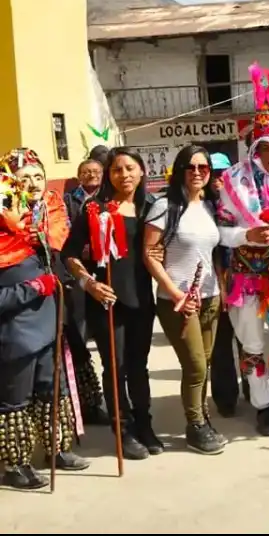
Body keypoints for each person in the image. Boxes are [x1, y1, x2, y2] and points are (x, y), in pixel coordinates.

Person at [216, 62, 269, 437]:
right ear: (254, 148)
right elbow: (216, 232)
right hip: (246, 277)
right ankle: (262, 405)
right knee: (252, 342)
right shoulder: (231, 183)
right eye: (265, 147)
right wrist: (244, 237)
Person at [63, 147, 161, 461]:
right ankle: (124, 427)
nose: (124, 175)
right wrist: (88, 284)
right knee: (116, 368)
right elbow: (70, 254)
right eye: (117, 169)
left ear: (142, 171)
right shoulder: (96, 209)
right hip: (106, 302)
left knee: (139, 366)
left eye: (130, 168)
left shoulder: (151, 208)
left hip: (141, 299)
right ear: (109, 175)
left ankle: (145, 422)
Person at [0, 150, 90, 489]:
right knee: (14, 401)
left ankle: (57, 449)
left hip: (51, 327)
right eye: (24, 178)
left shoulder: (44, 225)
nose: (33, 184)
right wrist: (32, 288)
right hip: (16, 334)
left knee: (51, 390)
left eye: (38, 176)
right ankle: (15, 462)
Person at [144, 145, 226, 455]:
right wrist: (176, 292)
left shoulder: (209, 206)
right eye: (190, 167)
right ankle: (194, 426)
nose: (196, 173)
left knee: (204, 363)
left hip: (210, 297)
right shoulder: (165, 206)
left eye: (203, 168)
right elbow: (149, 256)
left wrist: (223, 287)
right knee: (194, 365)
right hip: (177, 300)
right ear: (179, 171)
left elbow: (214, 251)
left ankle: (202, 417)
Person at [61, 157, 108, 426]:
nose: (91, 175)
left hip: (104, 273)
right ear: (78, 176)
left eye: (95, 171)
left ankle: (96, 402)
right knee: (77, 335)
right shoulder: (68, 201)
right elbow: (66, 234)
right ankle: (83, 403)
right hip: (75, 272)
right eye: (85, 172)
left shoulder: (107, 198)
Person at [207, 152, 249, 416]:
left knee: (248, 340)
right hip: (217, 281)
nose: (218, 181)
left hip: (245, 280)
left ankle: (253, 389)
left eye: (223, 174)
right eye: (214, 175)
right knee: (222, 343)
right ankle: (225, 398)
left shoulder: (243, 200)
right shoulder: (202, 207)